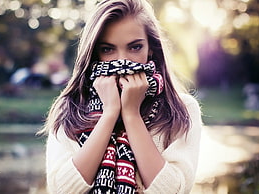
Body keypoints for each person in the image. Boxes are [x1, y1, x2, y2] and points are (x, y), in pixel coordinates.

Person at [40, 0, 202, 193]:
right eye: (108, 49)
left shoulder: (181, 110)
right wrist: (110, 113)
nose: (122, 61)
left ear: (151, 48)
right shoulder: (69, 108)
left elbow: (173, 190)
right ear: (94, 53)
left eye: (135, 47)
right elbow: (62, 190)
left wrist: (131, 114)